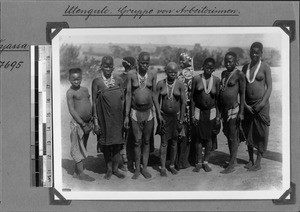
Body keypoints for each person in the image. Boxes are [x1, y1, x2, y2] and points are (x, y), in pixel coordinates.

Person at [124, 51, 163, 179]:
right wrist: (126, 115)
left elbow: (154, 95)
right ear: (138, 61)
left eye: (147, 63)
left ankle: (144, 168)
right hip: (135, 112)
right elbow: (128, 95)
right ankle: (136, 169)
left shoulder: (152, 74)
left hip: (149, 112)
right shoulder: (131, 75)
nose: (145, 65)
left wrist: (158, 114)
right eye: (143, 63)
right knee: (137, 141)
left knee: (146, 141)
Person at [92, 55, 125, 180]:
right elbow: (94, 102)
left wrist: (124, 118)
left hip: (117, 119)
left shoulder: (119, 80)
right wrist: (95, 121)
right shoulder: (97, 82)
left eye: (110, 66)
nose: (107, 68)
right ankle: (109, 169)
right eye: (105, 66)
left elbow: (122, 100)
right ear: (101, 66)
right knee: (106, 144)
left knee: (117, 144)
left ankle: (116, 169)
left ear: (113, 67)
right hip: (103, 119)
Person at [242, 42, 272, 171]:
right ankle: (250, 160)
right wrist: (244, 104)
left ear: (261, 53)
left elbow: (269, 87)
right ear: (249, 52)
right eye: (252, 52)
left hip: (261, 105)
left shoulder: (265, 67)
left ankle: (258, 162)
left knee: (261, 133)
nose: (254, 54)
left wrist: (262, 103)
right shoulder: (245, 68)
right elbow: (242, 89)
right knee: (248, 131)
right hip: (248, 105)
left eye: (257, 52)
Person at [191, 58, 220, 172]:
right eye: (206, 67)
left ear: (213, 69)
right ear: (203, 66)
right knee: (198, 139)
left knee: (209, 139)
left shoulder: (216, 80)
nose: (208, 69)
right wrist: (192, 115)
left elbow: (218, 100)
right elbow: (193, 98)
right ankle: (198, 162)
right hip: (198, 111)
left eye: (211, 68)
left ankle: (206, 161)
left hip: (211, 112)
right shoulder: (196, 79)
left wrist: (218, 116)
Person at [156, 62, 186, 176]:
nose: (173, 74)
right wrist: (159, 116)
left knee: (174, 142)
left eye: (175, 72)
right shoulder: (160, 84)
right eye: (170, 72)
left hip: (176, 117)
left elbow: (183, 103)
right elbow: (156, 101)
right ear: (166, 72)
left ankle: (172, 165)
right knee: (164, 143)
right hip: (164, 117)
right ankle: (163, 167)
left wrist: (181, 119)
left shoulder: (180, 84)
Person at [219, 52, 245, 174]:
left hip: (234, 109)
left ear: (236, 62)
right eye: (226, 61)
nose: (228, 64)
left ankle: (231, 164)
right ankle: (232, 160)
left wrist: (242, 112)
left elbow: (243, 94)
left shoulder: (239, 75)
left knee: (233, 136)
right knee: (228, 134)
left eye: (230, 61)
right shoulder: (223, 74)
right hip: (224, 110)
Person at [66, 68, 95, 181]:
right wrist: (82, 123)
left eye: (78, 79)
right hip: (78, 124)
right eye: (73, 79)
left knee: (83, 146)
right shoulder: (70, 92)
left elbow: (89, 103)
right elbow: (72, 110)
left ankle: (76, 171)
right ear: (69, 79)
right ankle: (81, 174)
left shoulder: (85, 89)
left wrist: (91, 119)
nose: (76, 81)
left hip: (87, 123)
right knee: (77, 148)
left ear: (81, 78)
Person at [176, 52, 194, 170]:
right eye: (180, 60)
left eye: (183, 60)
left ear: (189, 62)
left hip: (182, 108)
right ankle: (183, 161)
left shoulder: (183, 74)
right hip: (186, 108)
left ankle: (181, 161)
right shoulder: (188, 74)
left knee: (182, 135)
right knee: (185, 135)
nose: (181, 62)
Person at [119, 56, 136, 172]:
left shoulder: (120, 77)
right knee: (128, 136)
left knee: (125, 135)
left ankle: (126, 160)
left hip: (125, 109)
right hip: (127, 110)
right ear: (131, 65)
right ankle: (125, 160)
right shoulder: (127, 78)